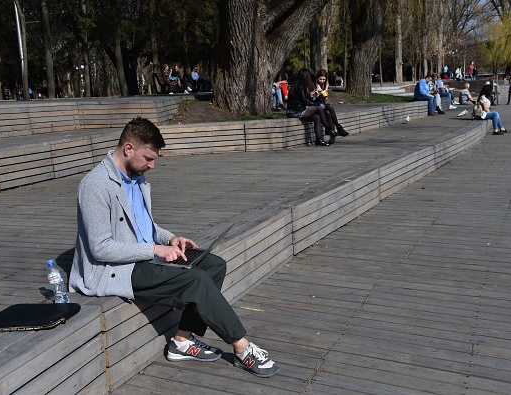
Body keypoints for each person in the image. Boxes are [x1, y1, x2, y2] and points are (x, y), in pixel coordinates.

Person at [68, 117, 280, 378]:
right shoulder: (95, 185)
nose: (152, 165)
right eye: (148, 158)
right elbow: (100, 249)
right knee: (196, 280)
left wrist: (169, 239)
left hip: (141, 258)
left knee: (213, 265)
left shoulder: (136, 178)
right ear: (129, 149)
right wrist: (155, 251)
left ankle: (181, 341)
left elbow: (146, 225)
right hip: (116, 269)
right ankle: (242, 348)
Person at [286, 68, 334, 146]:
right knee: (319, 108)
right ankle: (327, 128)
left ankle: (318, 139)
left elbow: (305, 99)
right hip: (295, 111)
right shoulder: (300, 86)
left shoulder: (300, 85)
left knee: (317, 117)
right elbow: (304, 101)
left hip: (299, 109)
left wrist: (312, 95)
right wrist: (317, 104)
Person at [314, 69, 349, 142]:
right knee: (330, 107)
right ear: (317, 77)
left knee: (328, 112)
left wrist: (324, 95)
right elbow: (311, 98)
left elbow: (324, 99)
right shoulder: (313, 84)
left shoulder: (325, 84)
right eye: (320, 79)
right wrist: (316, 92)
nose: (322, 81)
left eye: (324, 79)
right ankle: (338, 128)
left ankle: (333, 135)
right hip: (314, 105)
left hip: (321, 104)